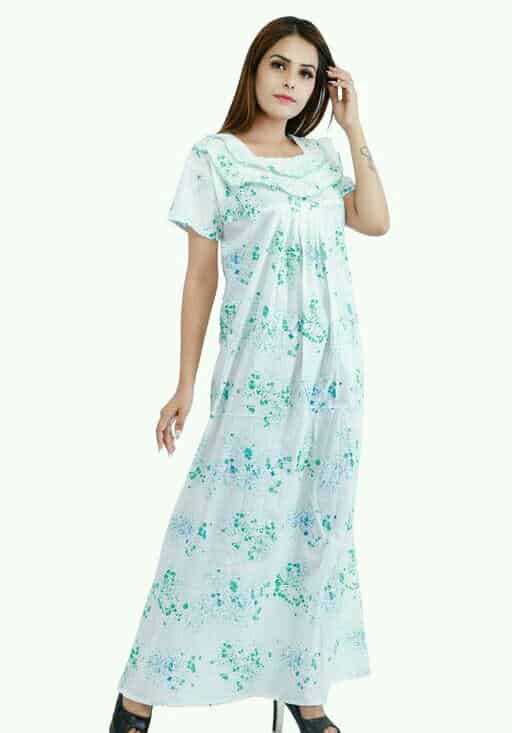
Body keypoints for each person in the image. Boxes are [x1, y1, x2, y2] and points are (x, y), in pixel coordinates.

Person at [109, 14, 389, 733]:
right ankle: (138, 696)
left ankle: (306, 692)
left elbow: (375, 219)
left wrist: (354, 127)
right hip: (257, 376)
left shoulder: (323, 160)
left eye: (306, 72)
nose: (291, 82)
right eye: (279, 65)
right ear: (255, 69)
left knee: (318, 527)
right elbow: (200, 278)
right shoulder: (215, 159)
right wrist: (183, 383)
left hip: (334, 376)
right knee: (214, 526)